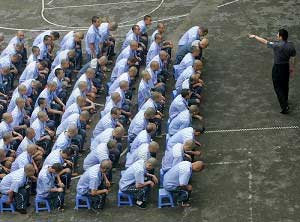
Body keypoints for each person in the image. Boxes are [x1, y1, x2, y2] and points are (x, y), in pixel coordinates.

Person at [249, 29, 296, 114]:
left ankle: (284, 106)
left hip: (277, 68)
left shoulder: (276, 45)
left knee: (277, 87)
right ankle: (285, 100)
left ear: (281, 36)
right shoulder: (291, 45)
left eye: (277, 34)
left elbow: (265, 41)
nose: (276, 35)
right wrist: (291, 68)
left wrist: (255, 36)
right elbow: (293, 57)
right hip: (286, 67)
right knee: (285, 85)